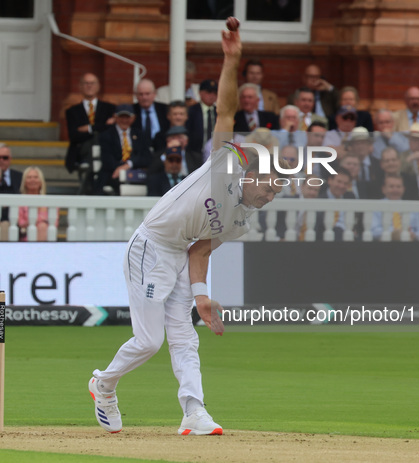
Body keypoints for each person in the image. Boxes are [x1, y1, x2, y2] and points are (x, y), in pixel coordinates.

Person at [88, 21, 288, 437]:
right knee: (148, 342)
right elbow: (228, 110)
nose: (269, 197)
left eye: (275, 193)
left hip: (180, 253)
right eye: (269, 188)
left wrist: (201, 297)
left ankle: (194, 411)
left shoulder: (241, 221)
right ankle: (103, 384)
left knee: (185, 337)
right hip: (150, 244)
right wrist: (232, 59)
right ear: (252, 176)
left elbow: (200, 250)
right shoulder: (225, 165)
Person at [65, 73, 116, 173]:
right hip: (80, 152)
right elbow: (74, 136)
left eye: (92, 83)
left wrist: (89, 129)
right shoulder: (72, 111)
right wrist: (101, 127)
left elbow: (111, 130)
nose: (89, 86)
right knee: (95, 137)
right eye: (86, 83)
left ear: (98, 86)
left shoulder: (110, 108)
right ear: (80, 87)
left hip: (105, 150)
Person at [97, 104, 152, 195]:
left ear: (133, 118)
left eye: (128, 117)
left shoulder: (139, 135)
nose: (124, 120)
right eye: (121, 117)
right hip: (113, 173)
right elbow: (107, 159)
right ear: (115, 117)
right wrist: (120, 169)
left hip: (135, 171)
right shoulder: (106, 135)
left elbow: (147, 157)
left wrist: (128, 165)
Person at [371, 174, 419, 241]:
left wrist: (413, 234)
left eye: (398, 187)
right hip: (384, 243)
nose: (395, 190)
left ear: (403, 189)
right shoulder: (376, 206)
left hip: (410, 243)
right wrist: (396, 232)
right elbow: (373, 231)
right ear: (384, 189)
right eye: (391, 186)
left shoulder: (412, 207)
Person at [17, 166, 56, 241]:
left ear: (41, 181)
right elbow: (21, 223)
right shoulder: (20, 201)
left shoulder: (49, 202)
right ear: (24, 182)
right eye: (29, 177)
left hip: (45, 236)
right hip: (25, 236)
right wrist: (40, 219)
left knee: (42, 227)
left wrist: (34, 221)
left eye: (35, 177)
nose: (32, 180)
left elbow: (54, 224)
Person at [133, 78, 170, 147]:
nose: (144, 97)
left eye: (147, 94)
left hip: (162, 148)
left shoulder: (165, 109)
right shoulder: (132, 111)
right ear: (136, 95)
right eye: (141, 94)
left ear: (154, 94)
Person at [186, 79, 218, 153]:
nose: (212, 96)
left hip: (215, 153)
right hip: (195, 152)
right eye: (209, 92)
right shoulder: (192, 111)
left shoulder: (219, 112)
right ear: (200, 93)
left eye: (215, 93)